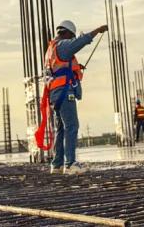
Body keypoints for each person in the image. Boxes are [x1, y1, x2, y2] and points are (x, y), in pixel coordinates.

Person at [45, 19, 107, 174]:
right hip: (65, 92)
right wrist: (97, 30)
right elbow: (80, 42)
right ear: (66, 33)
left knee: (61, 128)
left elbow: (59, 68)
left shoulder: (51, 49)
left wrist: (76, 68)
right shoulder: (63, 45)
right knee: (72, 126)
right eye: (71, 36)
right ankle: (70, 164)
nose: (71, 39)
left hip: (55, 94)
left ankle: (57, 164)